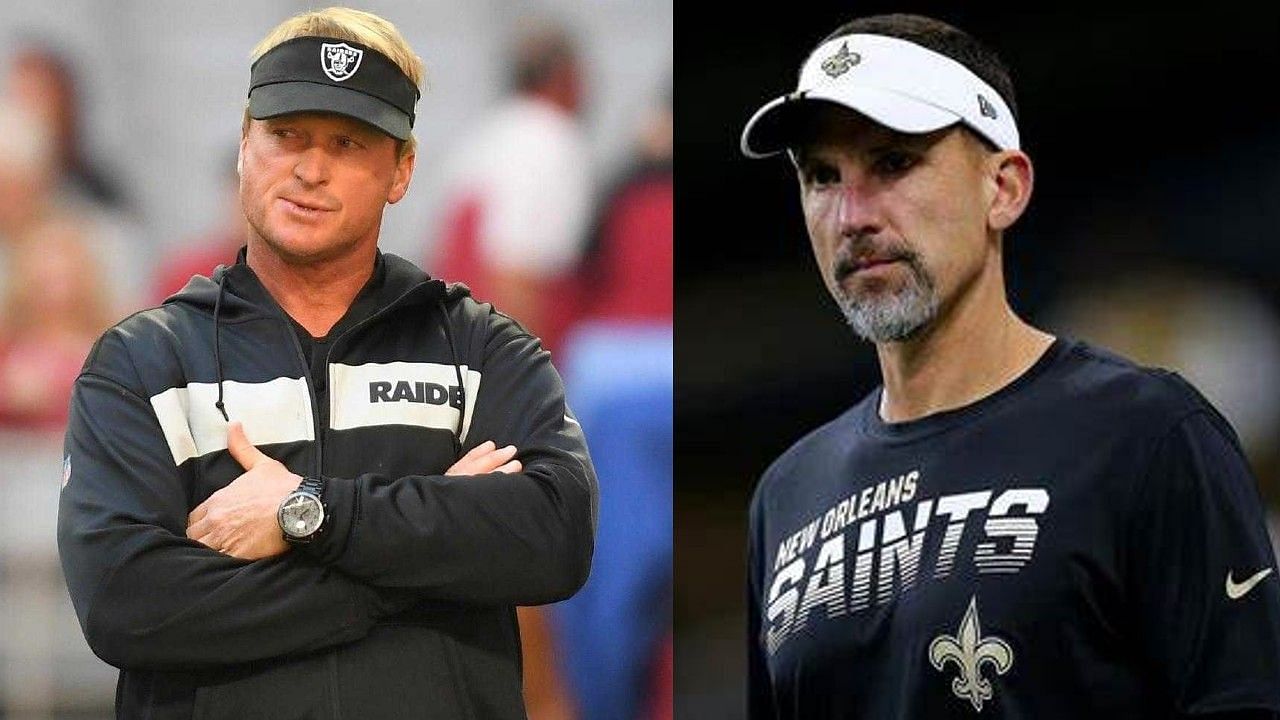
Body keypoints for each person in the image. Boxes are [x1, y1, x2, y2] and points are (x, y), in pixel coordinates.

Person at [56, 7, 597, 720]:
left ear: (401, 168)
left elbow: (553, 537)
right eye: (286, 136)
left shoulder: (482, 347)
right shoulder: (142, 364)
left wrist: (302, 513)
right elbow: (129, 607)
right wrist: (418, 563)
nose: (310, 169)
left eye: (347, 143)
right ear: (247, 144)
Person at [740, 13, 1280, 719]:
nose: (851, 215)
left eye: (894, 163)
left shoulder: (1144, 435)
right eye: (821, 176)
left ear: (1004, 188)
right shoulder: (786, 495)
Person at [429, 17, 592, 356]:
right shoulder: (549, 137)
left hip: (455, 342)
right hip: (493, 354)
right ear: (565, 78)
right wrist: (529, 378)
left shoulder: (488, 133)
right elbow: (515, 271)